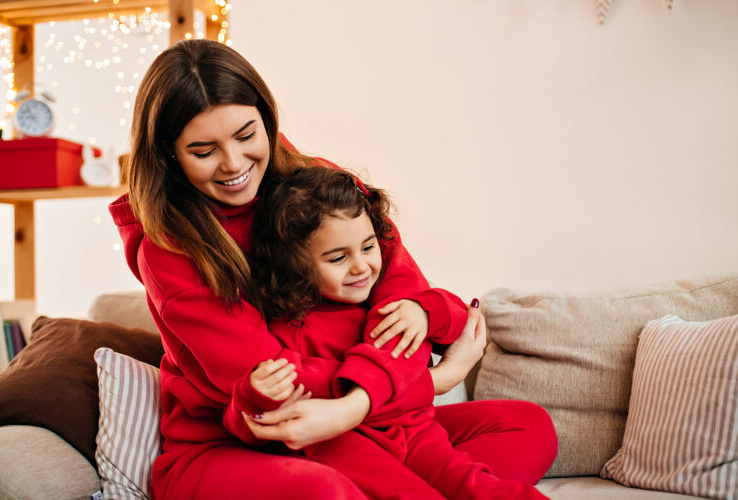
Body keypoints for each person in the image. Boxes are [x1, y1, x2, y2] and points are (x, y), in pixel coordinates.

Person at [110, 38, 557, 499]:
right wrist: (433, 381)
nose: (234, 163)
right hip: (239, 444)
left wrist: (357, 404)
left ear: (267, 118)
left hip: (364, 418)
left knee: (527, 427)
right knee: (325, 490)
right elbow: (272, 380)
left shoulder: (318, 184)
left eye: (246, 135)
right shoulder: (169, 247)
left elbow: (402, 298)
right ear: (169, 154)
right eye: (204, 151)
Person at [243, 166, 548, 499]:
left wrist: (425, 312)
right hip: (347, 444)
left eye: (368, 248)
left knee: (475, 480)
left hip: (413, 431)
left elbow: (461, 320)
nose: (361, 266)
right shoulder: (291, 326)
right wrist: (253, 393)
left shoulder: (385, 300)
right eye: (338, 258)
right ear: (296, 266)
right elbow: (272, 409)